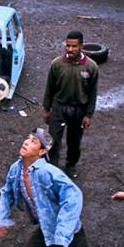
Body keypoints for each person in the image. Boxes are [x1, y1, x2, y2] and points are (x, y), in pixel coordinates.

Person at [42, 30, 99, 178]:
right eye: (67, 45)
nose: (70, 49)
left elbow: (92, 93)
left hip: (78, 110)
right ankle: (52, 169)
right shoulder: (57, 64)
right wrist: (47, 109)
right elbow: (50, 87)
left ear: (81, 46)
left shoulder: (91, 67)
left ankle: (70, 165)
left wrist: (88, 114)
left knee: (74, 143)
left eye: (74, 46)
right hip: (58, 107)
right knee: (53, 141)